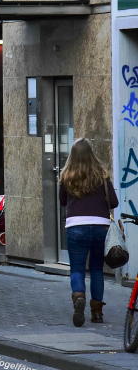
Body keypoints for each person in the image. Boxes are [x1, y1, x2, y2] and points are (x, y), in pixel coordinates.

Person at [59, 138, 118, 326]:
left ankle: (78, 297)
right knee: (96, 269)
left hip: (76, 226)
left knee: (77, 268)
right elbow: (114, 202)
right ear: (91, 154)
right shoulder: (102, 175)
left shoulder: (67, 175)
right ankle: (97, 312)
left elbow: (62, 201)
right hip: (101, 226)